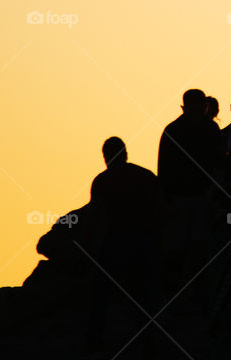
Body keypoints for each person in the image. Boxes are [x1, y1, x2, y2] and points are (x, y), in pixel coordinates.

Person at [86, 137, 164, 353]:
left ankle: (94, 343)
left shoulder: (102, 181)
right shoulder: (145, 176)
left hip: (114, 244)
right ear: (126, 153)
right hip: (142, 244)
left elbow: (97, 217)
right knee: (143, 297)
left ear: (106, 157)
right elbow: (159, 210)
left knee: (100, 297)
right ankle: (148, 343)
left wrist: (94, 250)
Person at [157, 89, 223, 293]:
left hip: (193, 196)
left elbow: (163, 168)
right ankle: (187, 290)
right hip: (189, 197)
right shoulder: (207, 129)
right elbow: (220, 164)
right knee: (194, 247)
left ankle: (181, 290)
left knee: (189, 247)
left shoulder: (174, 130)